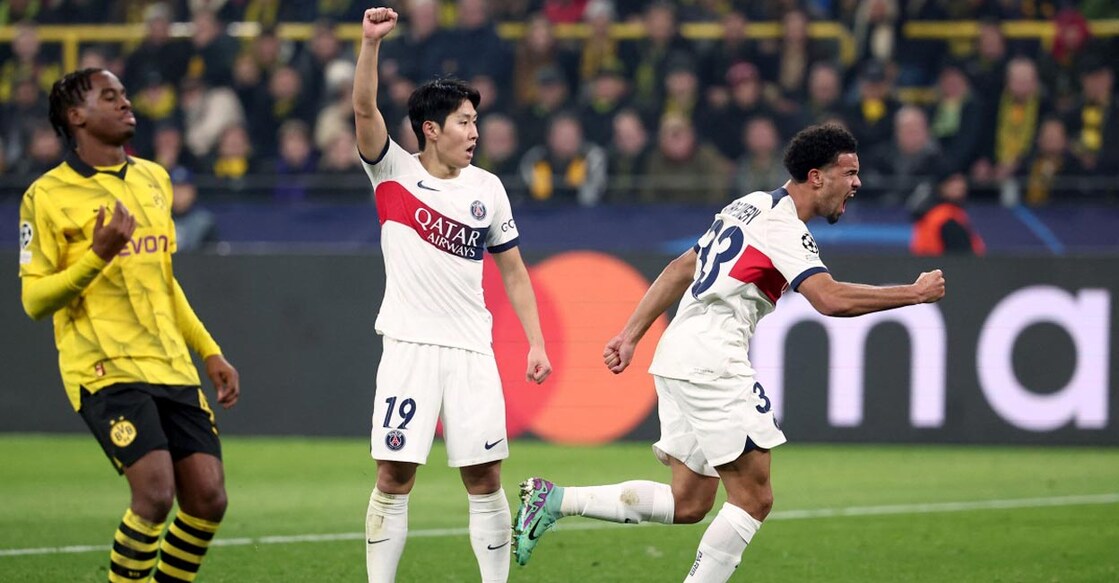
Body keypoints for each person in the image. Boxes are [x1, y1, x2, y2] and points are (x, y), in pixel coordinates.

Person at [512, 123, 946, 581]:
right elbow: (829, 298)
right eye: (850, 172)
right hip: (713, 359)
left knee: (690, 502)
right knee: (754, 499)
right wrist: (913, 294)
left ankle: (556, 500)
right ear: (817, 176)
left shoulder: (751, 204)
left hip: (680, 350)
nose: (857, 183)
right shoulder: (784, 227)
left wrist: (631, 334)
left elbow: (684, 265)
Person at [352, 8, 553, 583]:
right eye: (464, 122)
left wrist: (535, 342)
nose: (474, 132)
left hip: (471, 351)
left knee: (484, 478)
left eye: (475, 121)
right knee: (394, 475)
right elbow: (365, 109)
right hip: (409, 346)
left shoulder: (487, 188)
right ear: (432, 128)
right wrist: (370, 44)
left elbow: (513, 272)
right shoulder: (389, 170)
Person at [18, 68, 240, 583]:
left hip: (170, 364)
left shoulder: (154, 179)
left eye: (124, 94)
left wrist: (209, 351)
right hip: (104, 368)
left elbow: (165, 281)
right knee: (155, 493)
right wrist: (97, 256)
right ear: (77, 116)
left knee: (208, 499)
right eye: (109, 97)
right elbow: (33, 300)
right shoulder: (46, 196)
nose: (125, 103)